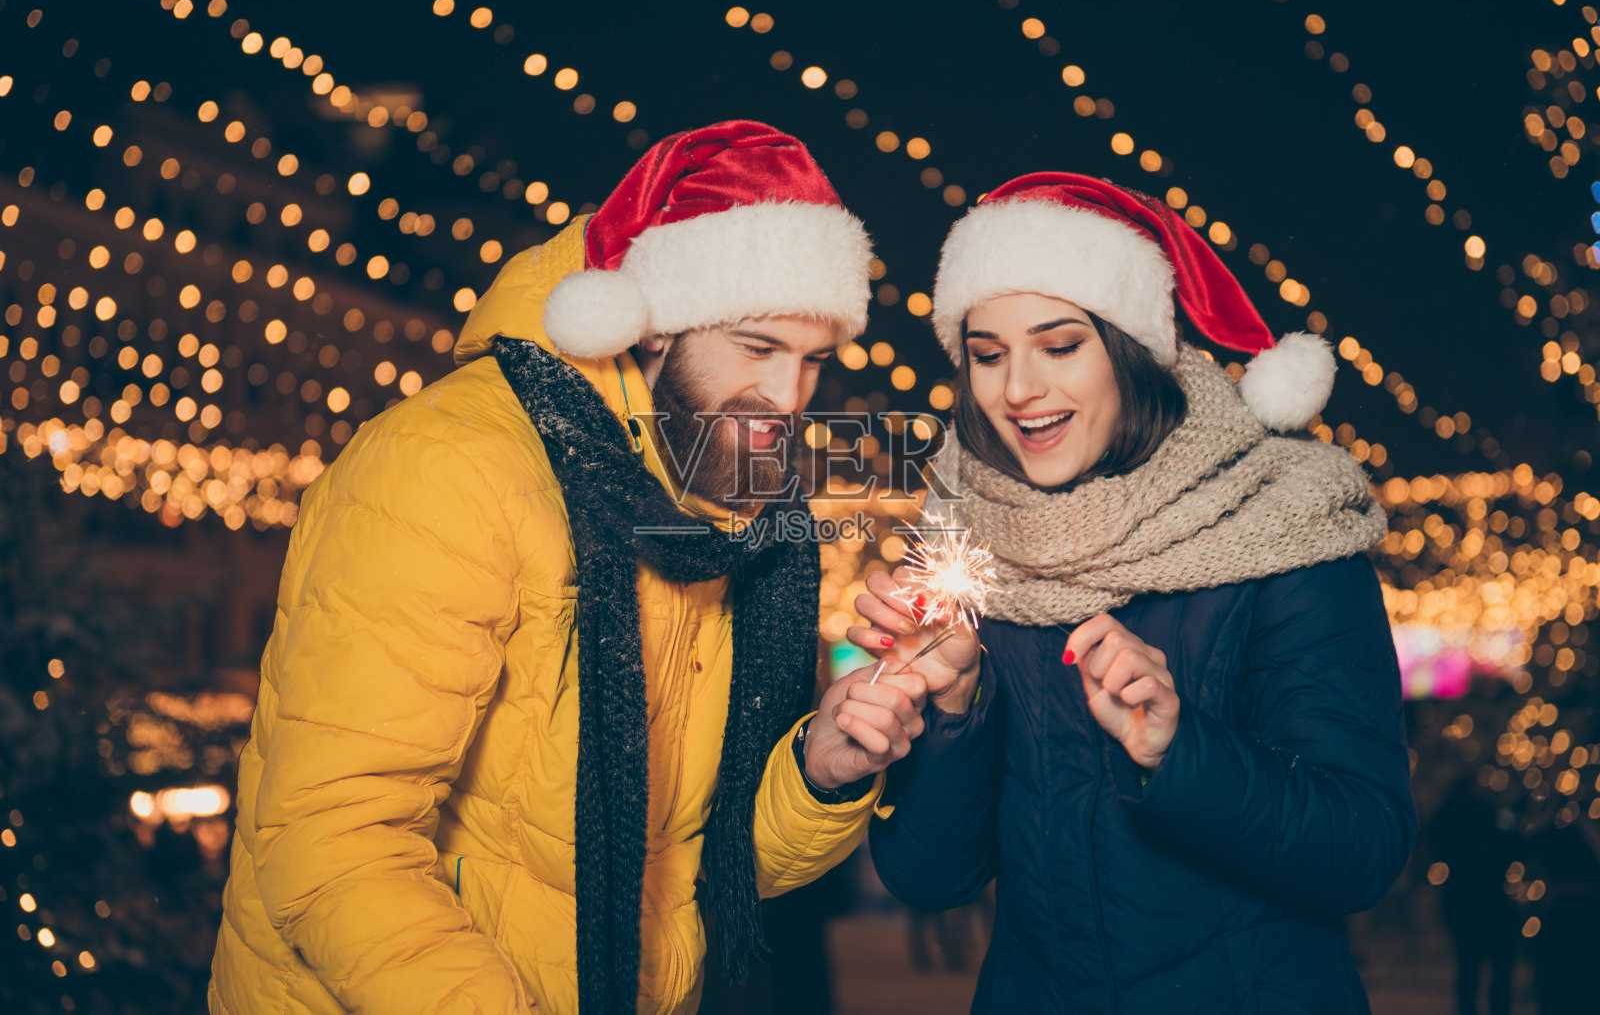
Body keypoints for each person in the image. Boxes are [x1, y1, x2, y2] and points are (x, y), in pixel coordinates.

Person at [209, 121, 931, 1015]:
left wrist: (819, 772)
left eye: (812, 361)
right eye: (756, 347)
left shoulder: (710, 505)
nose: (788, 399)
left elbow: (686, 864)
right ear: (653, 327)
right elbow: (331, 838)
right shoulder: (451, 466)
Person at [858, 173, 1418, 1013]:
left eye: (1059, 345)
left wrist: (1178, 747)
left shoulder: (1281, 528)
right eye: (988, 354)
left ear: (1129, 348)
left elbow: (1363, 850)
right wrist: (950, 712)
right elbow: (931, 878)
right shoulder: (966, 543)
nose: (1018, 389)